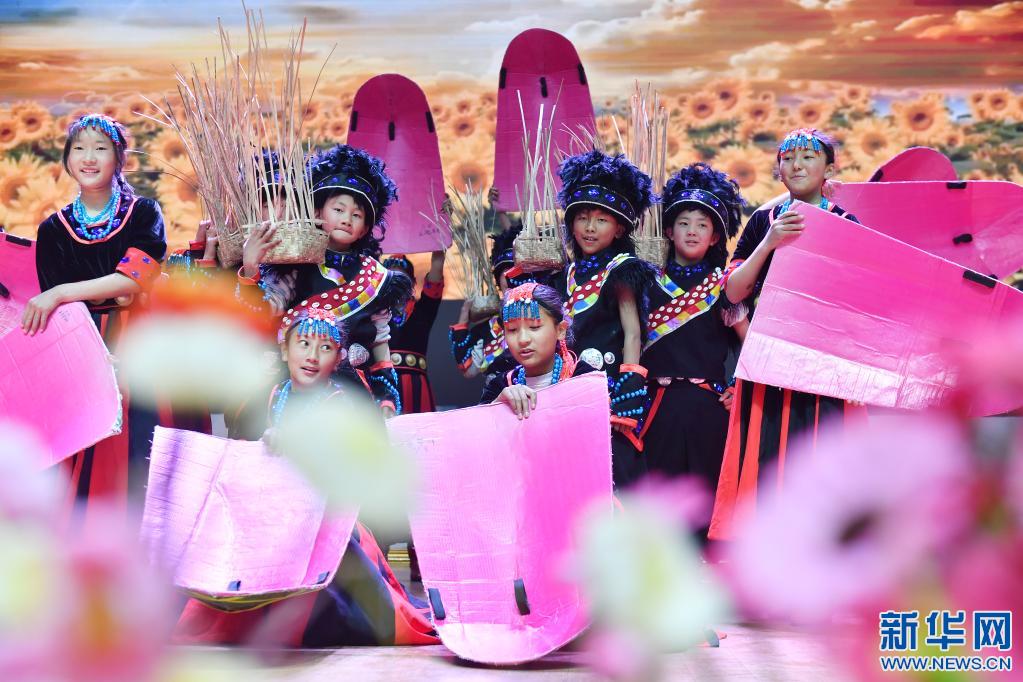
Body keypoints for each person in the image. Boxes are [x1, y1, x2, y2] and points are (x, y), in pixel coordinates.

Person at [174, 300, 437, 647]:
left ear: (338, 358)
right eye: (304, 344)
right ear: (285, 350)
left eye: (325, 348)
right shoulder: (274, 395)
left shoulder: (338, 403)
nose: (312, 356)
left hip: (324, 520)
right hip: (276, 512)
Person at [709, 128, 867, 541]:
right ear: (778, 169)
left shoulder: (847, 224)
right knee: (766, 455)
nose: (797, 165)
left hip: (824, 362)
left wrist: (855, 370)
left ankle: (824, 549)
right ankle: (768, 550)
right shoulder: (763, 221)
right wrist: (769, 242)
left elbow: (858, 302)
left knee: (821, 454)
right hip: (770, 359)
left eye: (809, 157)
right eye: (788, 158)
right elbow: (733, 293)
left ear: (829, 169)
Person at [23, 113, 167, 525]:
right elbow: (64, 311)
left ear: (118, 158)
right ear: (68, 158)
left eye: (101, 148)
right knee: (87, 447)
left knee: (142, 447)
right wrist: (96, 294)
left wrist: (63, 292)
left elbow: (133, 280)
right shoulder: (53, 229)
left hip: (140, 345)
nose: (89, 158)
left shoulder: (143, 212)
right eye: (80, 148)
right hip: (83, 346)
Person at [237, 144, 413, 416]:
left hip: (351, 397)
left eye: (357, 215)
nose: (347, 219)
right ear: (318, 213)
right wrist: (250, 267)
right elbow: (263, 313)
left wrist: (386, 396)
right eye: (339, 209)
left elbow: (380, 343)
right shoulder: (295, 264)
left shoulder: (377, 278)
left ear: (365, 228)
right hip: (296, 391)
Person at [638, 163, 747, 536]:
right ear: (668, 231)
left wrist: (741, 389)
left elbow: (750, 344)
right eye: (684, 223)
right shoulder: (644, 280)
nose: (692, 231)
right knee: (659, 507)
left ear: (715, 237)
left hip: (708, 408)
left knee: (706, 500)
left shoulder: (724, 285)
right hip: (655, 407)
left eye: (702, 225)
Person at [549, 149, 657, 487]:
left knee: (609, 475)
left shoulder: (621, 270)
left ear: (619, 228)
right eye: (582, 217)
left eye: (601, 220)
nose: (590, 228)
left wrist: (629, 382)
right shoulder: (564, 274)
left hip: (607, 390)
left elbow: (633, 332)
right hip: (565, 390)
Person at [382, 250, 445, 414]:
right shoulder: (374, 312)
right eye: (391, 278)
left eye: (401, 278)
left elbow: (435, 281)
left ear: (413, 282)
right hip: (384, 383)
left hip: (416, 387)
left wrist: (438, 256)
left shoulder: (423, 310)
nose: (396, 283)